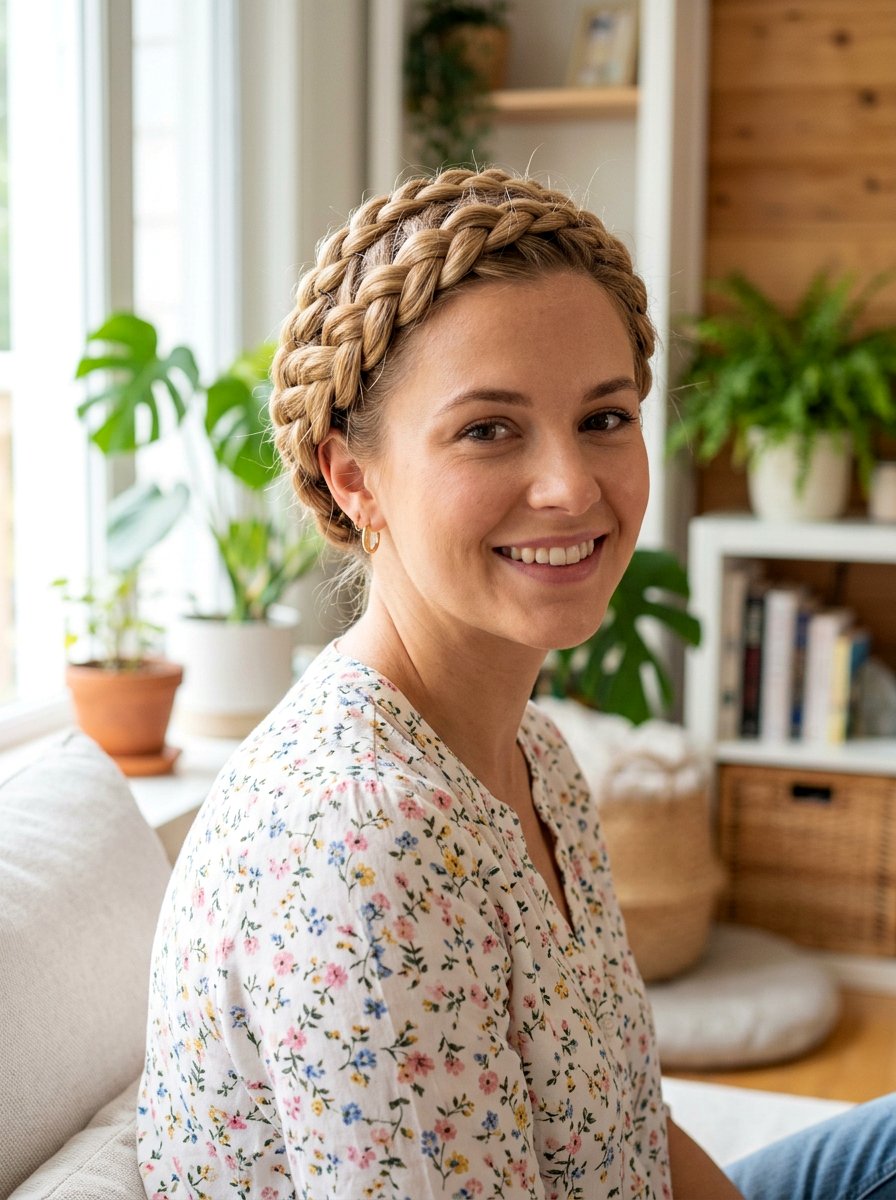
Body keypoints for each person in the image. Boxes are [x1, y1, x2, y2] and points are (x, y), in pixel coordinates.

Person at [137, 168, 896, 1200]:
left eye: (604, 418)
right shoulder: (360, 844)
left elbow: (632, 1122)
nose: (571, 487)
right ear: (354, 478)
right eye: (488, 429)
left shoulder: (532, 751)